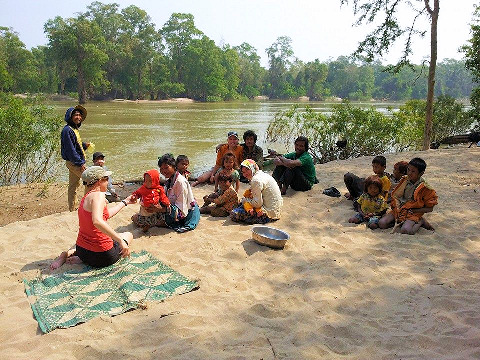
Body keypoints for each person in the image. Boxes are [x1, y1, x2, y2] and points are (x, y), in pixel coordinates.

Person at [50, 166, 135, 270]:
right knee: (128, 235)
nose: (108, 182)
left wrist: (125, 202)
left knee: (112, 237)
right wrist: (119, 240)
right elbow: (97, 221)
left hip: (82, 251)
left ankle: (66, 255)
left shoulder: (86, 197)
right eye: (106, 179)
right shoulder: (98, 195)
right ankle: (76, 256)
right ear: (99, 181)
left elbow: (106, 214)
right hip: (102, 256)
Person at [140, 154, 200, 233]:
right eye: (161, 169)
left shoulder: (180, 182)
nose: (163, 171)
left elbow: (182, 212)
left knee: (138, 220)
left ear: (174, 166)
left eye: (166, 167)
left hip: (186, 215)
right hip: (173, 209)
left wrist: (161, 209)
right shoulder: (170, 180)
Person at [378, 157, 438, 235]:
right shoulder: (404, 180)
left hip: (413, 212)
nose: (409, 173)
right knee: (382, 223)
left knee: (406, 230)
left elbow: (430, 208)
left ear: (421, 173)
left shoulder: (426, 188)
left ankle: (420, 222)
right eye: (408, 170)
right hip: (399, 210)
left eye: (413, 171)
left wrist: (415, 211)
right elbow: (396, 195)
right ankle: (401, 222)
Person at [230, 159, 283, 224]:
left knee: (234, 214)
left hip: (268, 215)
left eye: (247, 170)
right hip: (275, 210)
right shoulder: (262, 174)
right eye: (243, 172)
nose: (245, 174)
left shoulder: (255, 180)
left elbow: (258, 204)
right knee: (242, 204)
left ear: (252, 168)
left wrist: (245, 200)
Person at [61, 105, 92, 211]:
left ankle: (72, 208)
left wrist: (84, 145)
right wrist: (80, 163)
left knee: (73, 186)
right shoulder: (67, 130)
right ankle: (87, 206)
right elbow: (70, 150)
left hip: (73, 162)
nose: (78, 117)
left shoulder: (73, 129)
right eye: (75, 115)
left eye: (79, 115)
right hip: (74, 163)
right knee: (90, 181)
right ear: (70, 117)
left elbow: (75, 145)